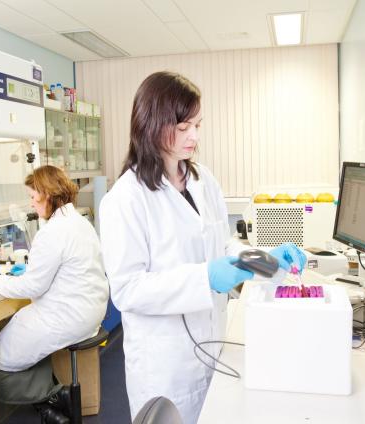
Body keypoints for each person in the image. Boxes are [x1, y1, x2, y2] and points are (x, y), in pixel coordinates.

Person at [99, 71, 306, 423]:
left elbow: (223, 245)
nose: (194, 135)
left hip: (214, 345)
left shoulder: (202, 180)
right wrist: (204, 278)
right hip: (166, 365)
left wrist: (266, 260)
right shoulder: (125, 199)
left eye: (197, 124)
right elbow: (127, 289)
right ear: (151, 123)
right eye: (183, 126)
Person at [0, 165, 109, 422]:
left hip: (66, 317)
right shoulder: (79, 222)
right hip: (90, 312)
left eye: (32, 197)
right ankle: (50, 408)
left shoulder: (53, 231)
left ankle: (52, 397)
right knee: (26, 342)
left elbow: (33, 286)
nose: (31, 203)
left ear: (47, 194)